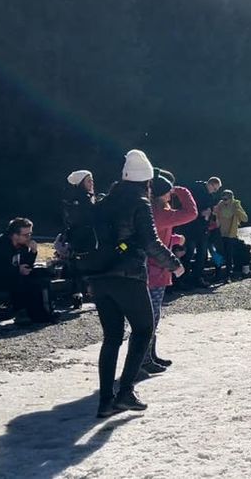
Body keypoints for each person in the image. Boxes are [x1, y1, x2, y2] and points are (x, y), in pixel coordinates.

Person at [88, 149, 184, 418]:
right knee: (144, 328)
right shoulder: (139, 203)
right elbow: (150, 242)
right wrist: (174, 265)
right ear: (147, 181)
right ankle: (126, 391)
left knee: (112, 337)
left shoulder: (105, 202)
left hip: (99, 275)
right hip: (128, 275)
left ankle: (106, 400)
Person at [141, 173, 197, 374]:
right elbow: (191, 213)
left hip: (155, 266)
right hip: (156, 270)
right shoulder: (160, 212)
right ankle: (143, 359)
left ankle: (149, 355)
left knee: (153, 317)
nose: (170, 197)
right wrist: (181, 190)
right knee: (150, 318)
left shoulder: (153, 210)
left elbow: (155, 236)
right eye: (168, 193)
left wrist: (173, 239)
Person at [0, 218, 53, 323]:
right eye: (26, 235)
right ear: (15, 235)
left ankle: (44, 312)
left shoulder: (22, 246)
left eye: (30, 234)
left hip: (10, 277)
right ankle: (22, 313)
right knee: (22, 281)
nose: (29, 237)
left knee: (40, 275)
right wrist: (17, 270)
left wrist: (33, 252)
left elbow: (26, 266)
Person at [179, 177, 221, 290]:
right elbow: (189, 207)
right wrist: (201, 212)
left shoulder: (210, 195)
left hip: (203, 229)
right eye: (215, 188)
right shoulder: (196, 190)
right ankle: (184, 279)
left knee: (202, 255)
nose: (215, 191)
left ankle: (197, 277)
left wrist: (211, 212)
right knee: (188, 254)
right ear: (210, 184)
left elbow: (210, 209)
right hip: (191, 228)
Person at [214, 189, 248, 281]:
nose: (224, 200)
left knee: (229, 255)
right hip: (220, 233)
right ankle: (217, 274)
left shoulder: (236, 205)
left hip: (230, 235)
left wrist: (237, 210)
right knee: (219, 254)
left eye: (226, 199)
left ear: (231, 198)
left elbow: (245, 219)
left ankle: (228, 275)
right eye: (223, 198)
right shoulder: (220, 204)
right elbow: (214, 214)